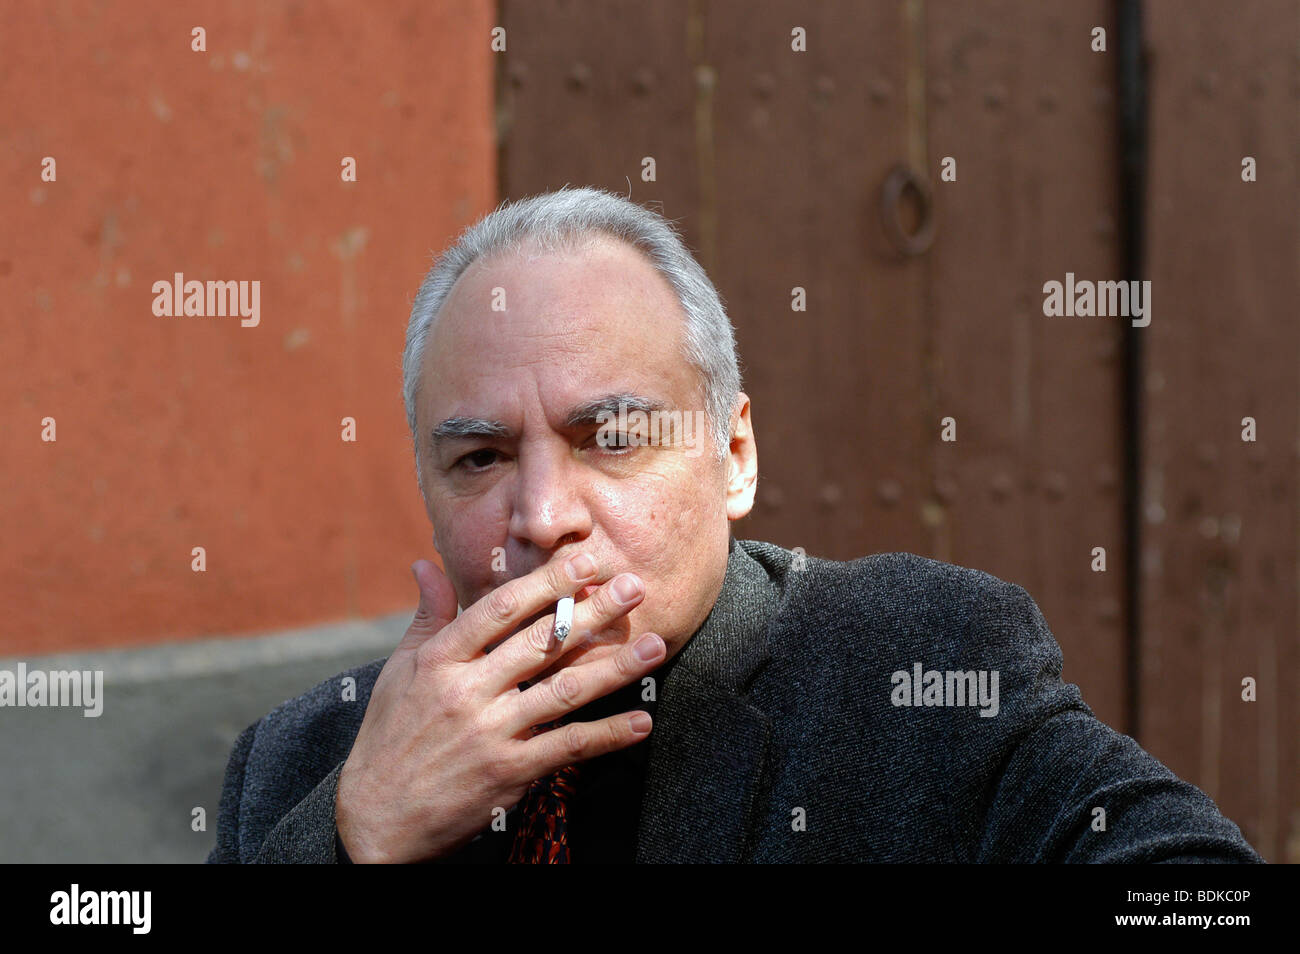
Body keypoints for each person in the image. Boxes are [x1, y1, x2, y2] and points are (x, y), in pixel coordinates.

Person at [207, 187, 1262, 863]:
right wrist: (353, 841)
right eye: (479, 458)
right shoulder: (303, 764)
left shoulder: (913, 665)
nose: (539, 517)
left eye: (610, 436)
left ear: (735, 455)